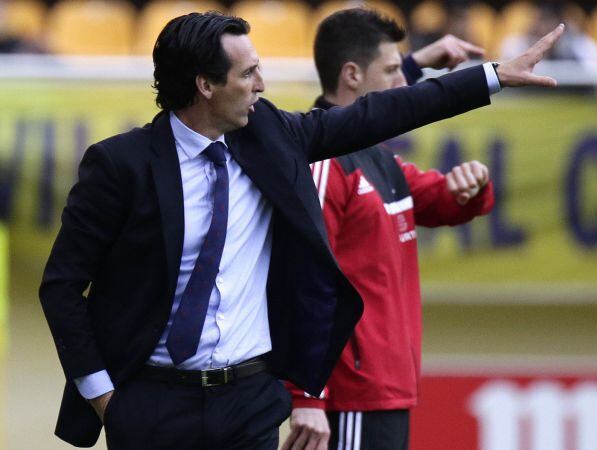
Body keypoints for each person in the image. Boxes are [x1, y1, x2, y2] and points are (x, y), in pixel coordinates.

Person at [38, 10, 564, 450]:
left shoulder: (270, 134)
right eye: (248, 75)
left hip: (249, 403)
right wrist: (105, 399)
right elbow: (62, 285)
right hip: (152, 405)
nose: (261, 85)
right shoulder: (119, 165)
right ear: (205, 85)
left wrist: (490, 75)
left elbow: (378, 112)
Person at [281, 9, 494, 450]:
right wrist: (308, 397)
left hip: (384, 390)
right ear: (352, 75)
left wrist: (471, 187)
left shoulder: (375, 157)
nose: (405, 85)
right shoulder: (324, 164)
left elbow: (439, 201)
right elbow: (303, 280)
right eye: (395, 70)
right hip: (351, 397)